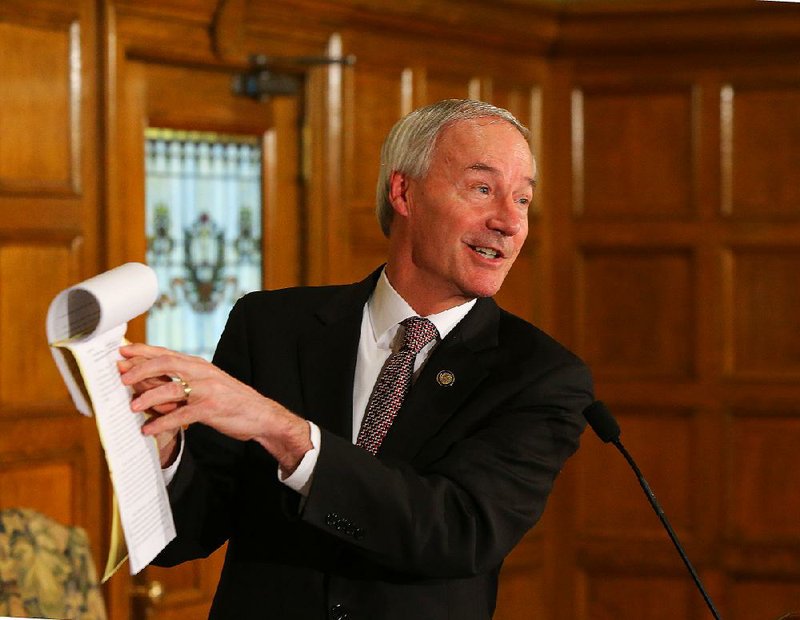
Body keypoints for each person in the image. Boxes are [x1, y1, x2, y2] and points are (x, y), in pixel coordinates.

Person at [119, 99, 594, 620]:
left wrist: (287, 434)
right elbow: (183, 537)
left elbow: (459, 532)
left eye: (522, 199)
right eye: (483, 189)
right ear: (404, 191)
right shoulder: (269, 326)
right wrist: (164, 449)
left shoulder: (541, 377)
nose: (508, 221)